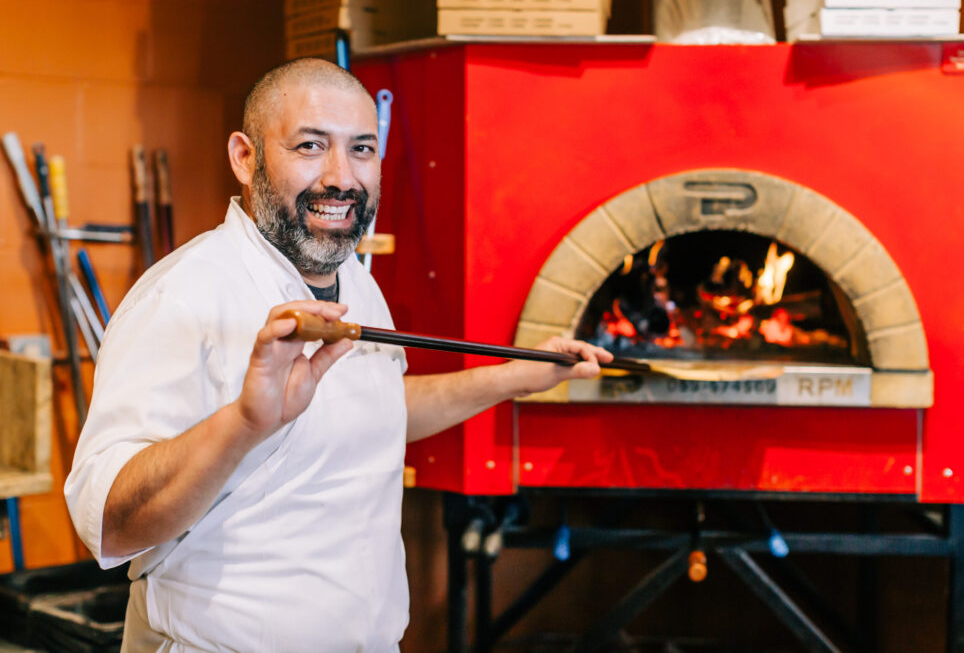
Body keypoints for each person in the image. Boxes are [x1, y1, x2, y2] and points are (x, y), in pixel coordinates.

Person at [64, 58, 611, 652]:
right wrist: (245, 423)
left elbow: (376, 408)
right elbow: (110, 523)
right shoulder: (185, 294)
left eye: (362, 150)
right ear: (245, 158)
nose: (340, 177)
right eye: (309, 146)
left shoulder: (354, 281)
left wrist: (513, 378)